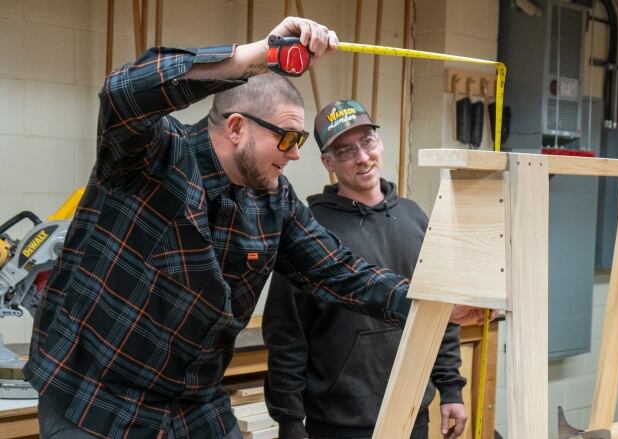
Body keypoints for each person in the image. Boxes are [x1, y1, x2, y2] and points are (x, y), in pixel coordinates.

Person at [22, 17, 484, 439]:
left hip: (190, 402)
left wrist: (438, 304)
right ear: (238, 127)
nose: (296, 153)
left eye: (300, 140)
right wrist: (259, 53)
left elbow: (341, 273)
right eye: (288, 137)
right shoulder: (150, 157)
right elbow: (124, 90)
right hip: (93, 395)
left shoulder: (273, 201)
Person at [263, 100, 468, 439]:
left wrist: (450, 388)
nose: (361, 157)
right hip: (338, 423)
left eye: (367, 142)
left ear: (380, 142)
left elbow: (440, 311)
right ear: (327, 162)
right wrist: (289, 421)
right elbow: (286, 332)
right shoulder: (310, 229)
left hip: (412, 413)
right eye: (344, 151)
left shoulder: (415, 218)